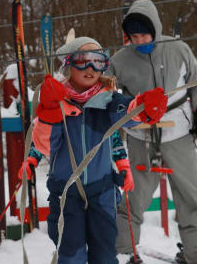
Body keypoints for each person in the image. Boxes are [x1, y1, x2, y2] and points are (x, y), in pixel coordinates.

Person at [18, 37, 168, 264]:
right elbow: (44, 141)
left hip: (102, 193)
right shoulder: (56, 102)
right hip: (66, 194)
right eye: (83, 60)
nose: (90, 68)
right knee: (71, 254)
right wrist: (31, 158)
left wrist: (142, 108)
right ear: (69, 65)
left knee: (105, 254)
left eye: (97, 61)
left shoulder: (108, 101)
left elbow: (123, 118)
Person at [106, 0, 197, 264]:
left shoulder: (178, 49)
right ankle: (125, 251)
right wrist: (121, 112)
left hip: (178, 132)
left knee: (191, 195)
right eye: (134, 36)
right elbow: (107, 94)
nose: (139, 39)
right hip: (140, 136)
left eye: (144, 34)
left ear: (155, 28)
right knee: (133, 197)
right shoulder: (120, 60)